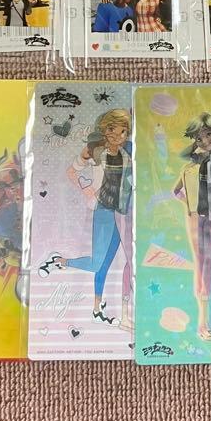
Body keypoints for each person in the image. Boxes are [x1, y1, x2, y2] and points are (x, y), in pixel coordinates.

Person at [38, 109, 134, 328]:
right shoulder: (94, 150)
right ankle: (59, 261)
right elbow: (71, 171)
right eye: (112, 129)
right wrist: (86, 188)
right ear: (104, 129)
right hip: (104, 210)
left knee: (105, 265)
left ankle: (96, 309)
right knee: (95, 263)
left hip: (122, 212)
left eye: (123, 131)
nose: (117, 135)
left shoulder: (128, 151)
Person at [173, 113, 211, 342]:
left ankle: (208, 318)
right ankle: (202, 321)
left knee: (208, 262)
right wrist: (190, 205)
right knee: (202, 262)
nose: (205, 140)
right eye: (199, 137)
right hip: (196, 217)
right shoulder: (189, 168)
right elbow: (175, 191)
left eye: (208, 134)